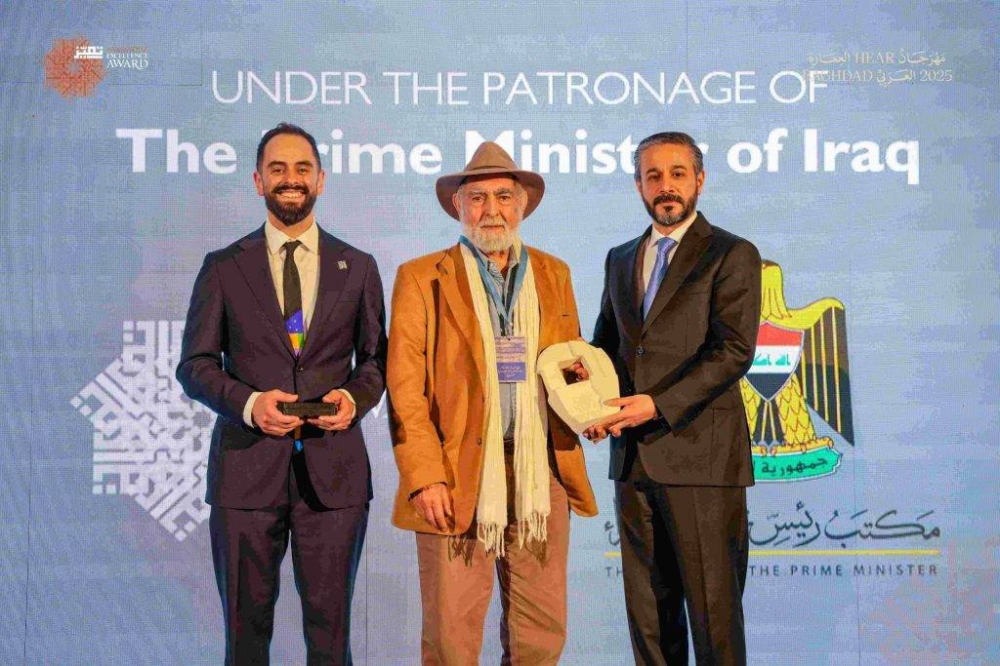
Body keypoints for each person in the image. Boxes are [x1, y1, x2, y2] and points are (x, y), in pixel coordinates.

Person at [176, 123, 387, 665]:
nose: (290, 180)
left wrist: (354, 401)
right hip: (245, 477)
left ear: (321, 180)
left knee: (331, 638)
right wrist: (249, 404)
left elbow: (377, 363)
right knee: (245, 639)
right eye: (277, 169)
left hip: (334, 478)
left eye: (301, 169)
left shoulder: (358, 266)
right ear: (257, 181)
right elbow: (195, 366)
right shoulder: (224, 267)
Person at [387, 142, 598, 665]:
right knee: (452, 638)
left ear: (522, 204)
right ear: (457, 207)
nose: (492, 210)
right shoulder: (422, 277)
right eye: (477, 198)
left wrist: (588, 412)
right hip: (456, 476)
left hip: (539, 473)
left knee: (541, 634)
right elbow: (405, 388)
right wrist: (424, 475)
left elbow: (568, 366)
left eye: (504, 196)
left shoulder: (555, 274)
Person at [585, 132, 762, 665]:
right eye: (653, 175)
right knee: (650, 622)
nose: (666, 186)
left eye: (678, 173)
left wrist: (656, 405)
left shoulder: (732, 253)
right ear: (638, 184)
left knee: (714, 621)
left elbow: (733, 350)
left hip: (702, 462)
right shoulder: (620, 258)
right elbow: (607, 348)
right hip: (634, 463)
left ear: (700, 180)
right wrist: (591, 405)